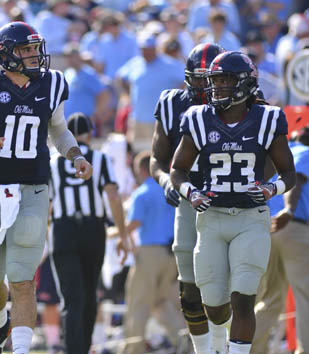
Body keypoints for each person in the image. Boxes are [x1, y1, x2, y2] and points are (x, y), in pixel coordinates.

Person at [0, 21, 98, 354]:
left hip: (33, 186)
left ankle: (21, 350)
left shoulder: (52, 83)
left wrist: (75, 155)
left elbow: (58, 130)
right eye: (26, 50)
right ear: (6, 54)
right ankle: (0, 326)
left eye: (34, 49)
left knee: (21, 277)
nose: (34, 56)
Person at [171, 51, 296, 354]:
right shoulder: (198, 119)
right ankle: (217, 348)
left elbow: (289, 172)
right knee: (213, 302)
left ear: (245, 83)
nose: (219, 87)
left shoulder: (267, 119)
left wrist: (272, 188)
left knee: (244, 297)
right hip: (211, 218)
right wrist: (191, 192)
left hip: (251, 217)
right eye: (216, 80)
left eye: (226, 80)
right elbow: (178, 170)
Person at [150, 43, 225, 354]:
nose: (207, 88)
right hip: (189, 196)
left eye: (214, 80)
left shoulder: (244, 105)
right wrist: (166, 180)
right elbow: (156, 158)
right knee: (189, 281)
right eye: (199, 79)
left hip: (230, 198)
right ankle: (203, 349)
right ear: (187, 78)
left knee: (230, 284)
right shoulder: (171, 103)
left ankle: (225, 346)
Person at [48, 112, 129, 354]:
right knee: (89, 292)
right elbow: (113, 196)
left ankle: (75, 349)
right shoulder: (100, 158)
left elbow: (45, 203)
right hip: (94, 229)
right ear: (90, 134)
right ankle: (83, 348)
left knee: (71, 298)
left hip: (63, 230)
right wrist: (123, 235)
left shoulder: (53, 162)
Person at [120, 150, 184, 354]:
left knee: (139, 304)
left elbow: (134, 224)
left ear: (140, 169)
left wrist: (115, 235)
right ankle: (187, 344)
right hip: (172, 254)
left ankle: (134, 349)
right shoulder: (171, 190)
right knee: (163, 303)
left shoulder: (142, 193)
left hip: (149, 252)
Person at [252, 128, 309, 353]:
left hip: (268, 228)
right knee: (305, 296)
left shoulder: (276, 156)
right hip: (291, 226)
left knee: (270, 299)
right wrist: (289, 209)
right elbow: (296, 180)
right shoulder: (304, 152)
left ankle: (245, 348)